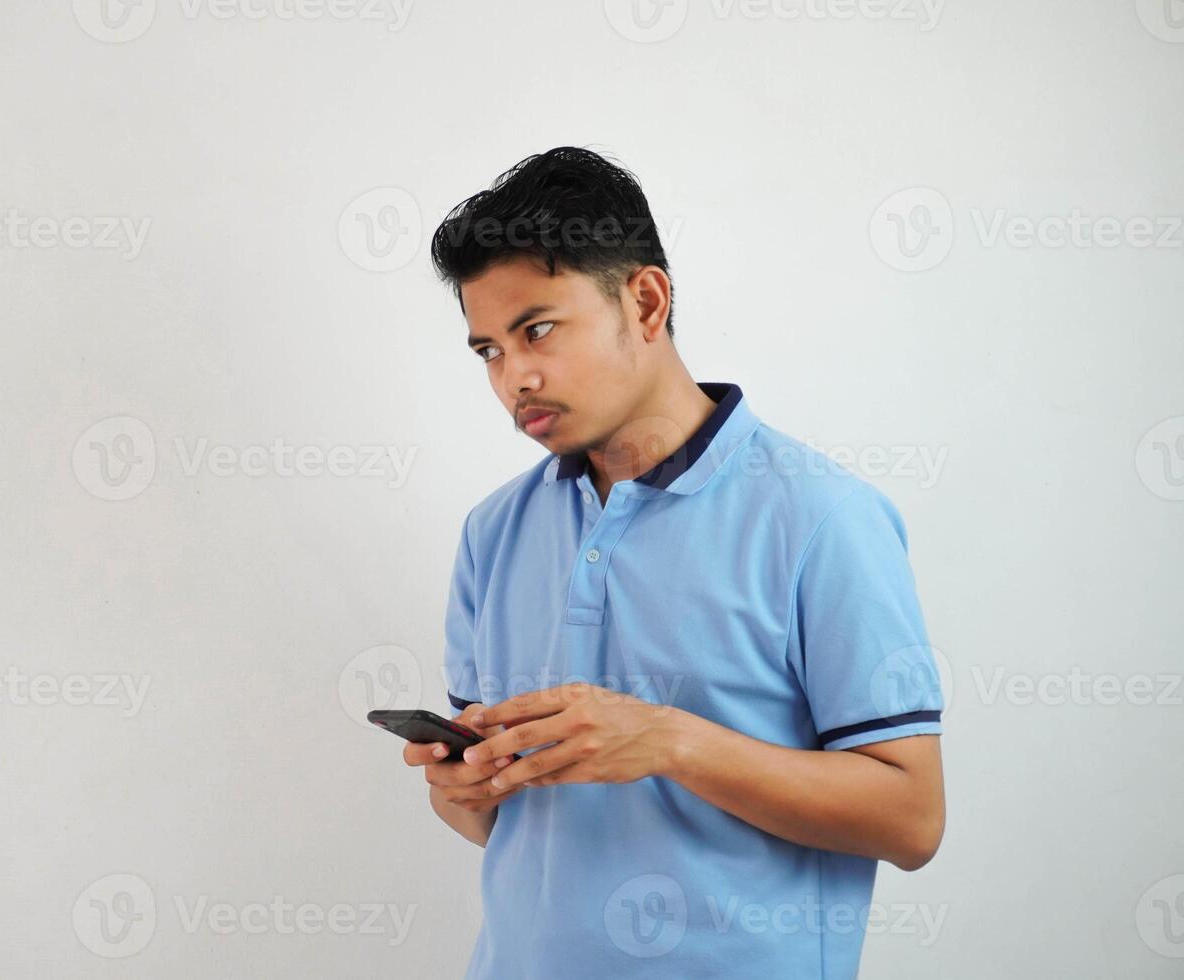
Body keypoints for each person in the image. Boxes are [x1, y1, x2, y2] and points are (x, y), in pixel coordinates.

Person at [402, 146, 947, 979]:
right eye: (489, 351)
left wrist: (669, 742)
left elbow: (911, 819)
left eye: (537, 329)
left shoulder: (822, 519)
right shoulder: (493, 531)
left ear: (646, 302)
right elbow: (499, 826)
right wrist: (463, 792)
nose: (516, 377)